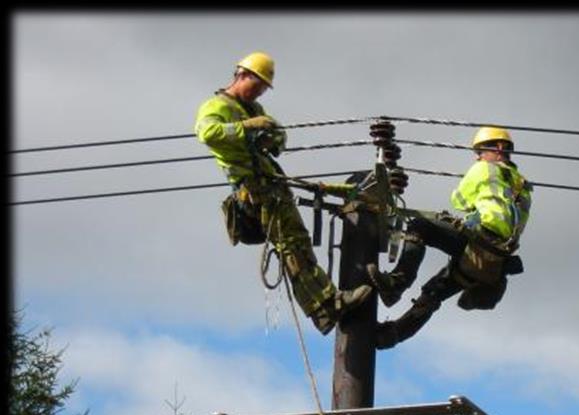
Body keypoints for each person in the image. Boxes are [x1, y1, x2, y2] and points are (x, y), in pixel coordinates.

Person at [195, 51, 372, 335]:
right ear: (242, 75)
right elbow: (208, 134)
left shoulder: (255, 110)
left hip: (272, 186)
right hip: (253, 189)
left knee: (296, 243)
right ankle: (325, 305)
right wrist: (245, 129)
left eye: (265, 87)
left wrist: (273, 137)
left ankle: (325, 307)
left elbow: (277, 133)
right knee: (292, 245)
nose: (261, 91)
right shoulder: (216, 106)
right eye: (259, 84)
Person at [368, 126, 533, 349]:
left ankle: (397, 283)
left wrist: (475, 200)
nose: (477, 156)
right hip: (493, 261)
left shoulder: (483, 169)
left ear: (499, 147)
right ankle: (392, 335)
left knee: (420, 226)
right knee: (433, 293)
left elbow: (460, 200)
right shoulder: (523, 187)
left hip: (479, 241)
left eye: (480, 151)